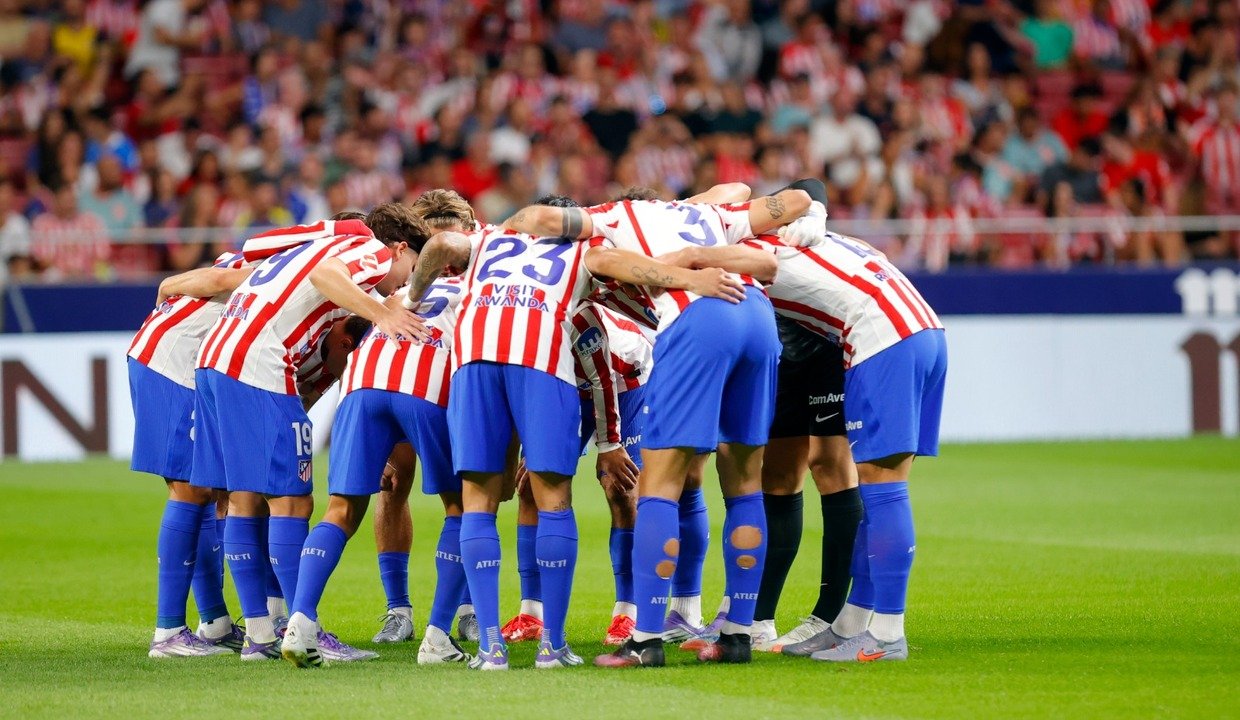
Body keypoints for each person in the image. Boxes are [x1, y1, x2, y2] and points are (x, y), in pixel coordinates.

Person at [404, 194, 756, 670]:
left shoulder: (487, 237)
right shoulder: (583, 252)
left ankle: (490, 648)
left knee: (479, 501)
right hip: (541, 358)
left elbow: (442, 242)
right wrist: (693, 278)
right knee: (553, 496)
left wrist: (411, 297)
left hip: (475, 359)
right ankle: (553, 646)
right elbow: (632, 266)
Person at [501, 185, 809, 666]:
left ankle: (644, 640)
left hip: (700, 316)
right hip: (758, 319)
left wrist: (504, 233)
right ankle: (738, 635)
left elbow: (537, 220)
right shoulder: (711, 213)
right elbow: (796, 201)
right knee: (745, 485)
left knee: (659, 488)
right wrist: (699, 246)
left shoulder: (616, 214)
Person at [189, 210, 424, 660]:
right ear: (398, 249)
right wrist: (382, 313)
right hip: (260, 359)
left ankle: (260, 635)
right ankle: (304, 628)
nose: (400, 286)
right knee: (292, 500)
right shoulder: (369, 250)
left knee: (243, 497)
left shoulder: (314, 242)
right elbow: (326, 274)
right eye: (410, 270)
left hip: (218, 354)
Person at [751, 187, 947, 662]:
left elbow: (708, 262)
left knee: (882, 487)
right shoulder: (824, 237)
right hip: (923, 332)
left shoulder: (758, 250)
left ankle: (887, 634)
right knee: (877, 487)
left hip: (883, 340)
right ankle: (850, 623)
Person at [129, 252, 254, 657]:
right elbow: (222, 279)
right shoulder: (294, 262)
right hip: (173, 362)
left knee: (206, 490)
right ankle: (167, 633)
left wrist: (171, 284)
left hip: (185, 363)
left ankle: (215, 623)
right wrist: (170, 283)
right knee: (189, 490)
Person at [748, 316, 862, 654]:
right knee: (778, 473)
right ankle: (758, 620)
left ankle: (829, 617)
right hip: (781, 343)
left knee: (830, 465)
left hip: (828, 344)